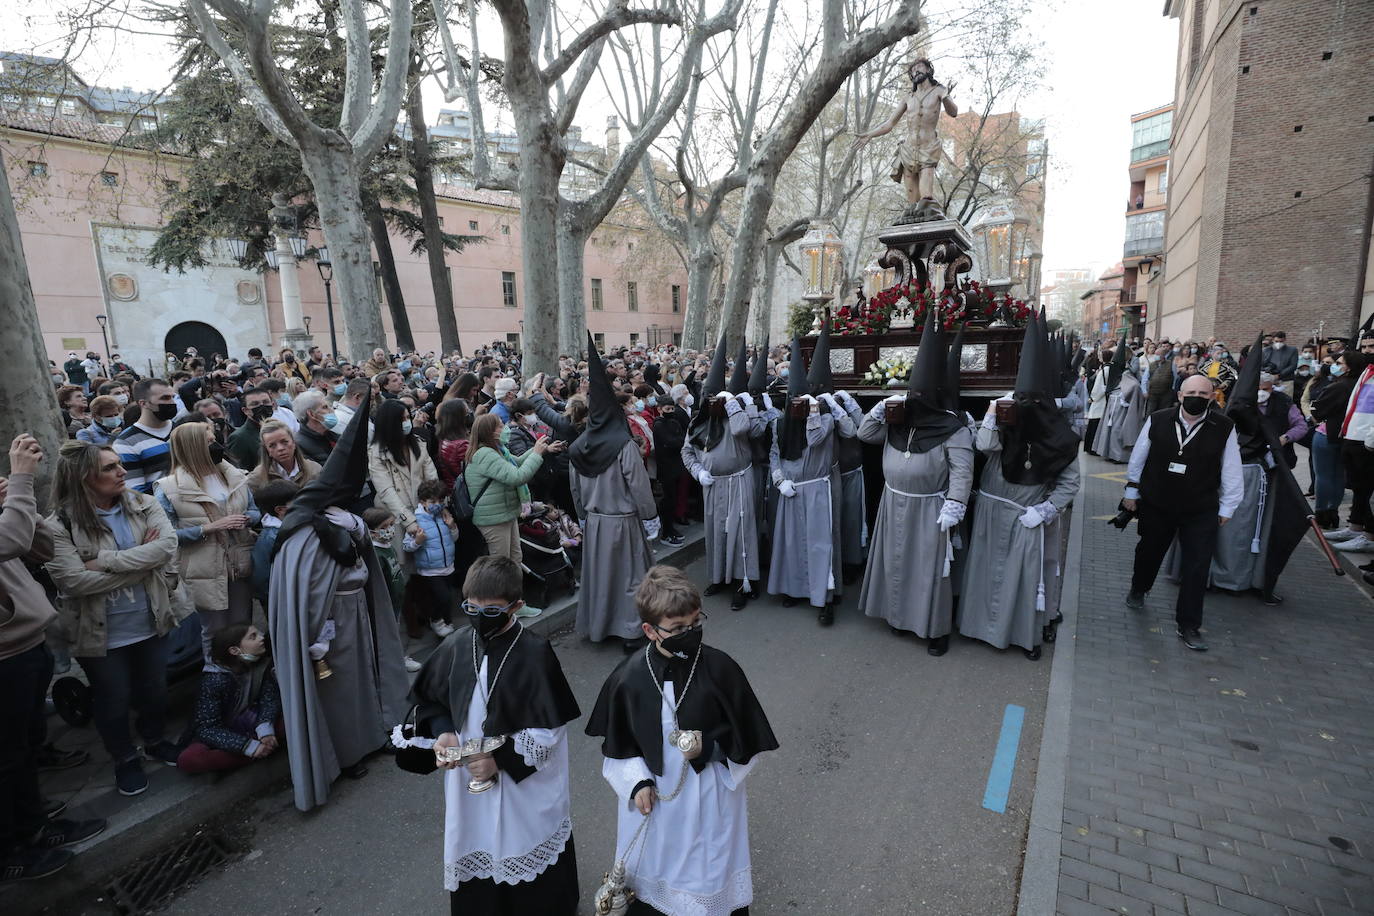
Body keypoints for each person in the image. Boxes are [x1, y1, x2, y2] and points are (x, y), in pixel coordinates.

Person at [585, 565, 778, 916]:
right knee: (657, 875)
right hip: (656, 802)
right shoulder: (629, 678)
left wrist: (712, 749)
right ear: (649, 630)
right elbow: (618, 747)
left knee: (707, 874)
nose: (689, 633)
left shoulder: (721, 670)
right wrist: (636, 782)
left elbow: (746, 740)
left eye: (695, 624)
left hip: (708, 798)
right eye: (677, 629)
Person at [410, 556, 582, 914]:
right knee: (476, 839)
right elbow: (430, 700)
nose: (477, 618)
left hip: (524, 785)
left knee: (525, 841)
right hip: (469, 779)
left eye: (490, 611)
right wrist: (444, 735)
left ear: (516, 606)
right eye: (470, 608)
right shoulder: (458, 643)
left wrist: (499, 761)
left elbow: (549, 729)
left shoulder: (534, 652)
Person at [268, 396, 409, 809]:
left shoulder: (340, 517)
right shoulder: (303, 530)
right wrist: (316, 636)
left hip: (358, 611)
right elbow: (308, 587)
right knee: (340, 690)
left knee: (367, 676)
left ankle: (377, 733)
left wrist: (357, 532)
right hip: (328, 626)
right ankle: (347, 755)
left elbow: (359, 554)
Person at [45, 441, 183, 795]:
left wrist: (105, 561)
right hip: (100, 632)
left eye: (119, 464)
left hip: (151, 618)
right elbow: (73, 580)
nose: (122, 472)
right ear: (84, 477)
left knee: (154, 689)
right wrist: (143, 564)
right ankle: (124, 758)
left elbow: (166, 548)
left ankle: (155, 740)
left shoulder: (143, 503)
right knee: (113, 698)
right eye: (109, 468)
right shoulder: (59, 523)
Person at [1, 436, 108, 882]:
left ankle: (34, 826)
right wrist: (23, 482)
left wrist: (16, 500)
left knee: (22, 750)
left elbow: (34, 547)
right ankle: (11, 851)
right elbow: (7, 541)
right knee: (5, 757)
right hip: (4, 657)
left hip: (25, 644)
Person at [959, 318, 1081, 660]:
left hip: (1029, 515)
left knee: (1026, 578)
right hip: (993, 510)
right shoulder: (1005, 423)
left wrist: (1045, 510)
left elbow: (1071, 482)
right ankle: (977, 627)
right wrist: (993, 412)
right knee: (986, 571)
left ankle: (1027, 633)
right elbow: (984, 445)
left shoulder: (1062, 438)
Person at [858, 316, 973, 656]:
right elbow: (865, 434)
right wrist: (880, 408)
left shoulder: (954, 428)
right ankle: (897, 615)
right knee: (896, 563)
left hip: (930, 508)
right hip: (894, 502)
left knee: (928, 570)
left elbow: (963, 471)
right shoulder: (899, 421)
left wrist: (955, 504)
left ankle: (934, 629)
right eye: (913, 393)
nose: (916, 399)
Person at [1123, 374, 1243, 652]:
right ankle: (1139, 587)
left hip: (1200, 508)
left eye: (1204, 394)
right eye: (1192, 393)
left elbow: (1232, 470)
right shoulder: (1158, 419)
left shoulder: (1224, 427)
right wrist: (1131, 491)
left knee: (1197, 566)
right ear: (1179, 395)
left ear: (1212, 397)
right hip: (1157, 502)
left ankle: (1189, 624)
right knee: (1149, 551)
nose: (1197, 398)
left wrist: (1228, 507)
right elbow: (1139, 457)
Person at [570, 333, 658, 648]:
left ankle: (600, 627)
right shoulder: (624, 445)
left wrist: (583, 517)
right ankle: (632, 631)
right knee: (631, 578)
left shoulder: (578, 446)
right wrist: (650, 516)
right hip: (623, 521)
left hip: (595, 522)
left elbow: (576, 489)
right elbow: (639, 485)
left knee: (601, 579)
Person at [156, 422, 260, 660]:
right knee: (214, 630)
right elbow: (166, 536)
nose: (216, 445)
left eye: (214, 439)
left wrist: (246, 519)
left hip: (240, 562)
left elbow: (255, 510)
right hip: (204, 569)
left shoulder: (234, 475)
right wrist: (209, 528)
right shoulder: (169, 488)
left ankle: (247, 678)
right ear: (193, 448)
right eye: (209, 442)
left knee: (243, 626)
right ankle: (216, 679)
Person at [767, 338, 854, 623]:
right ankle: (794, 589)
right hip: (791, 491)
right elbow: (775, 454)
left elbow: (816, 439)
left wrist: (815, 409)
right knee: (792, 543)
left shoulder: (825, 420)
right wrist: (780, 481)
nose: (796, 408)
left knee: (820, 544)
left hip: (818, 488)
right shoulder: (779, 424)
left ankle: (825, 598)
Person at [681, 337, 761, 611]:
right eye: (710, 398)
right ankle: (719, 577)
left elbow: (742, 430)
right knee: (716, 532)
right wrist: (698, 472)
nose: (712, 403)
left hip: (739, 481)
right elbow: (687, 452)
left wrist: (733, 403)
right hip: (712, 485)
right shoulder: (697, 423)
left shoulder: (735, 418)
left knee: (741, 533)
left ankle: (743, 582)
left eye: (717, 399)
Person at [464, 414, 556, 587]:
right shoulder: (485, 454)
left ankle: (516, 602)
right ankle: (503, 607)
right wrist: (536, 454)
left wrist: (538, 448)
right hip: (493, 518)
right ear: (490, 432)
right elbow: (517, 477)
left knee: (514, 559)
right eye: (500, 426)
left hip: (505, 514)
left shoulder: (498, 449)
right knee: (501, 565)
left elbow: (518, 462)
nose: (505, 428)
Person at [176, 624, 283, 774]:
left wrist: (265, 729)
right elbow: (207, 728)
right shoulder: (214, 680)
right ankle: (259, 751)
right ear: (234, 650)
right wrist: (246, 746)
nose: (261, 639)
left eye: (258, 634)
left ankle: (261, 749)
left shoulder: (262, 664)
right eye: (253, 637)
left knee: (289, 722)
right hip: (224, 732)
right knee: (188, 759)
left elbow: (269, 697)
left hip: (252, 720)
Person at [369, 399, 439, 552]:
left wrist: (434, 502)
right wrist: (408, 521)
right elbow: (386, 490)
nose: (407, 422)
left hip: (423, 508)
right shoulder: (376, 453)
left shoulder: (418, 443)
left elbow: (431, 475)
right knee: (406, 558)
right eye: (402, 419)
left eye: (408, 417)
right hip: (396, 514)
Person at [403, 479, 460, 638]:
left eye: (441, 500)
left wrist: (452, 527)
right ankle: (435, 621)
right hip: (430, 569)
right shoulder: (416, 520)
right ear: (422, 502)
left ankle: (446, 622)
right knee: (443, 597)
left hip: (448, 565)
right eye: (432, 501)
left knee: (448, 599)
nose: (437, 504)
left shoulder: (444, 515)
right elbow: (407, 546)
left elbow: (454, 538)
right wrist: (417, 541)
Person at [113, 378, 180, 494]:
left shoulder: (181, 428)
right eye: (165, 398)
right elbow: (136, 493)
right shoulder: (126, 443)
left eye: (172, 397)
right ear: (143, 403)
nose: (172, 403)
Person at [1091, 338, 1147, 463]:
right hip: (1112, 404)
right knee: (1110, 429)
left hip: (1122, 407)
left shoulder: (1127, 373)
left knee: (1118, 429)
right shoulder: (1114, 372)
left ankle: (1120, 456)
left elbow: (1133, 386)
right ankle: (1110, 453)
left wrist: (1124, 395)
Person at [247, 418, 321, 497]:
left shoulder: (314, 469)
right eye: (272, 445)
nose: (280, 448)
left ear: (294, 443)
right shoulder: (257, 477)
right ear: (267, 450)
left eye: (284, 442)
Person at [225, 387, 276, 470]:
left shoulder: (279, 428)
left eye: (266, 402)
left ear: (273, 405)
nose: (261, 406)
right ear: (245, 410)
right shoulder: (239, 437)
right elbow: (242, 472)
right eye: (255, 404)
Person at [292, 390, 338, 465]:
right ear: (311, 414)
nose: (332, 410)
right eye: (325, 407)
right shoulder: (299, 446)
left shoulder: (331, 434)